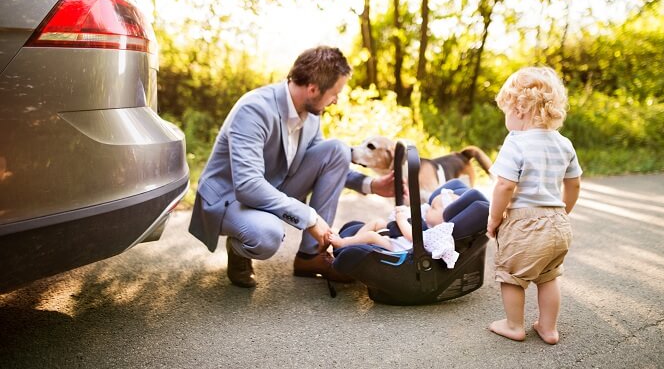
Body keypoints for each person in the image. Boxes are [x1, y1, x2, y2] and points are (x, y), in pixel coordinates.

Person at [189, 46, 397, 288]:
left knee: (338, 149)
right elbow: (247, 186)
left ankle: (310, 257)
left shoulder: (311, 115)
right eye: (334, 93)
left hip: (271, 186)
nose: (336, 100)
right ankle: (240, 248)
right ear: (312, 89)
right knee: (266, 235)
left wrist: (370, 184)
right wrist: (309, 218)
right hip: (229, 198)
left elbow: (326, 163)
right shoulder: (254, 109)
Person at [486, 66, 582, 345]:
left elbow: (505, 185)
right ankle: (549, 328)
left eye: (505, 111)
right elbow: (573, 185)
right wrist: (563, 212)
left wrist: (494, 218)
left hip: (524, 224)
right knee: (548, 276)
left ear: (519, 108)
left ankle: (514, 325)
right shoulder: (564, 143)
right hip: (558, 223)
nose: (506, 118)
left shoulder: (515, 142)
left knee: (512, 275)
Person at [330, 179, 491, 268]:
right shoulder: (429, 221)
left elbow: (412, 237)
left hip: (399, 250)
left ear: (444, 218)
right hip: (395, 239)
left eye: (433, 208)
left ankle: (343, 243)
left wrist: (400, 220)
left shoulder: (436, 234)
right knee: (377, 222)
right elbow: (416, 215)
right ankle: (353, 241)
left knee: (372, 235)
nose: (428, 209)